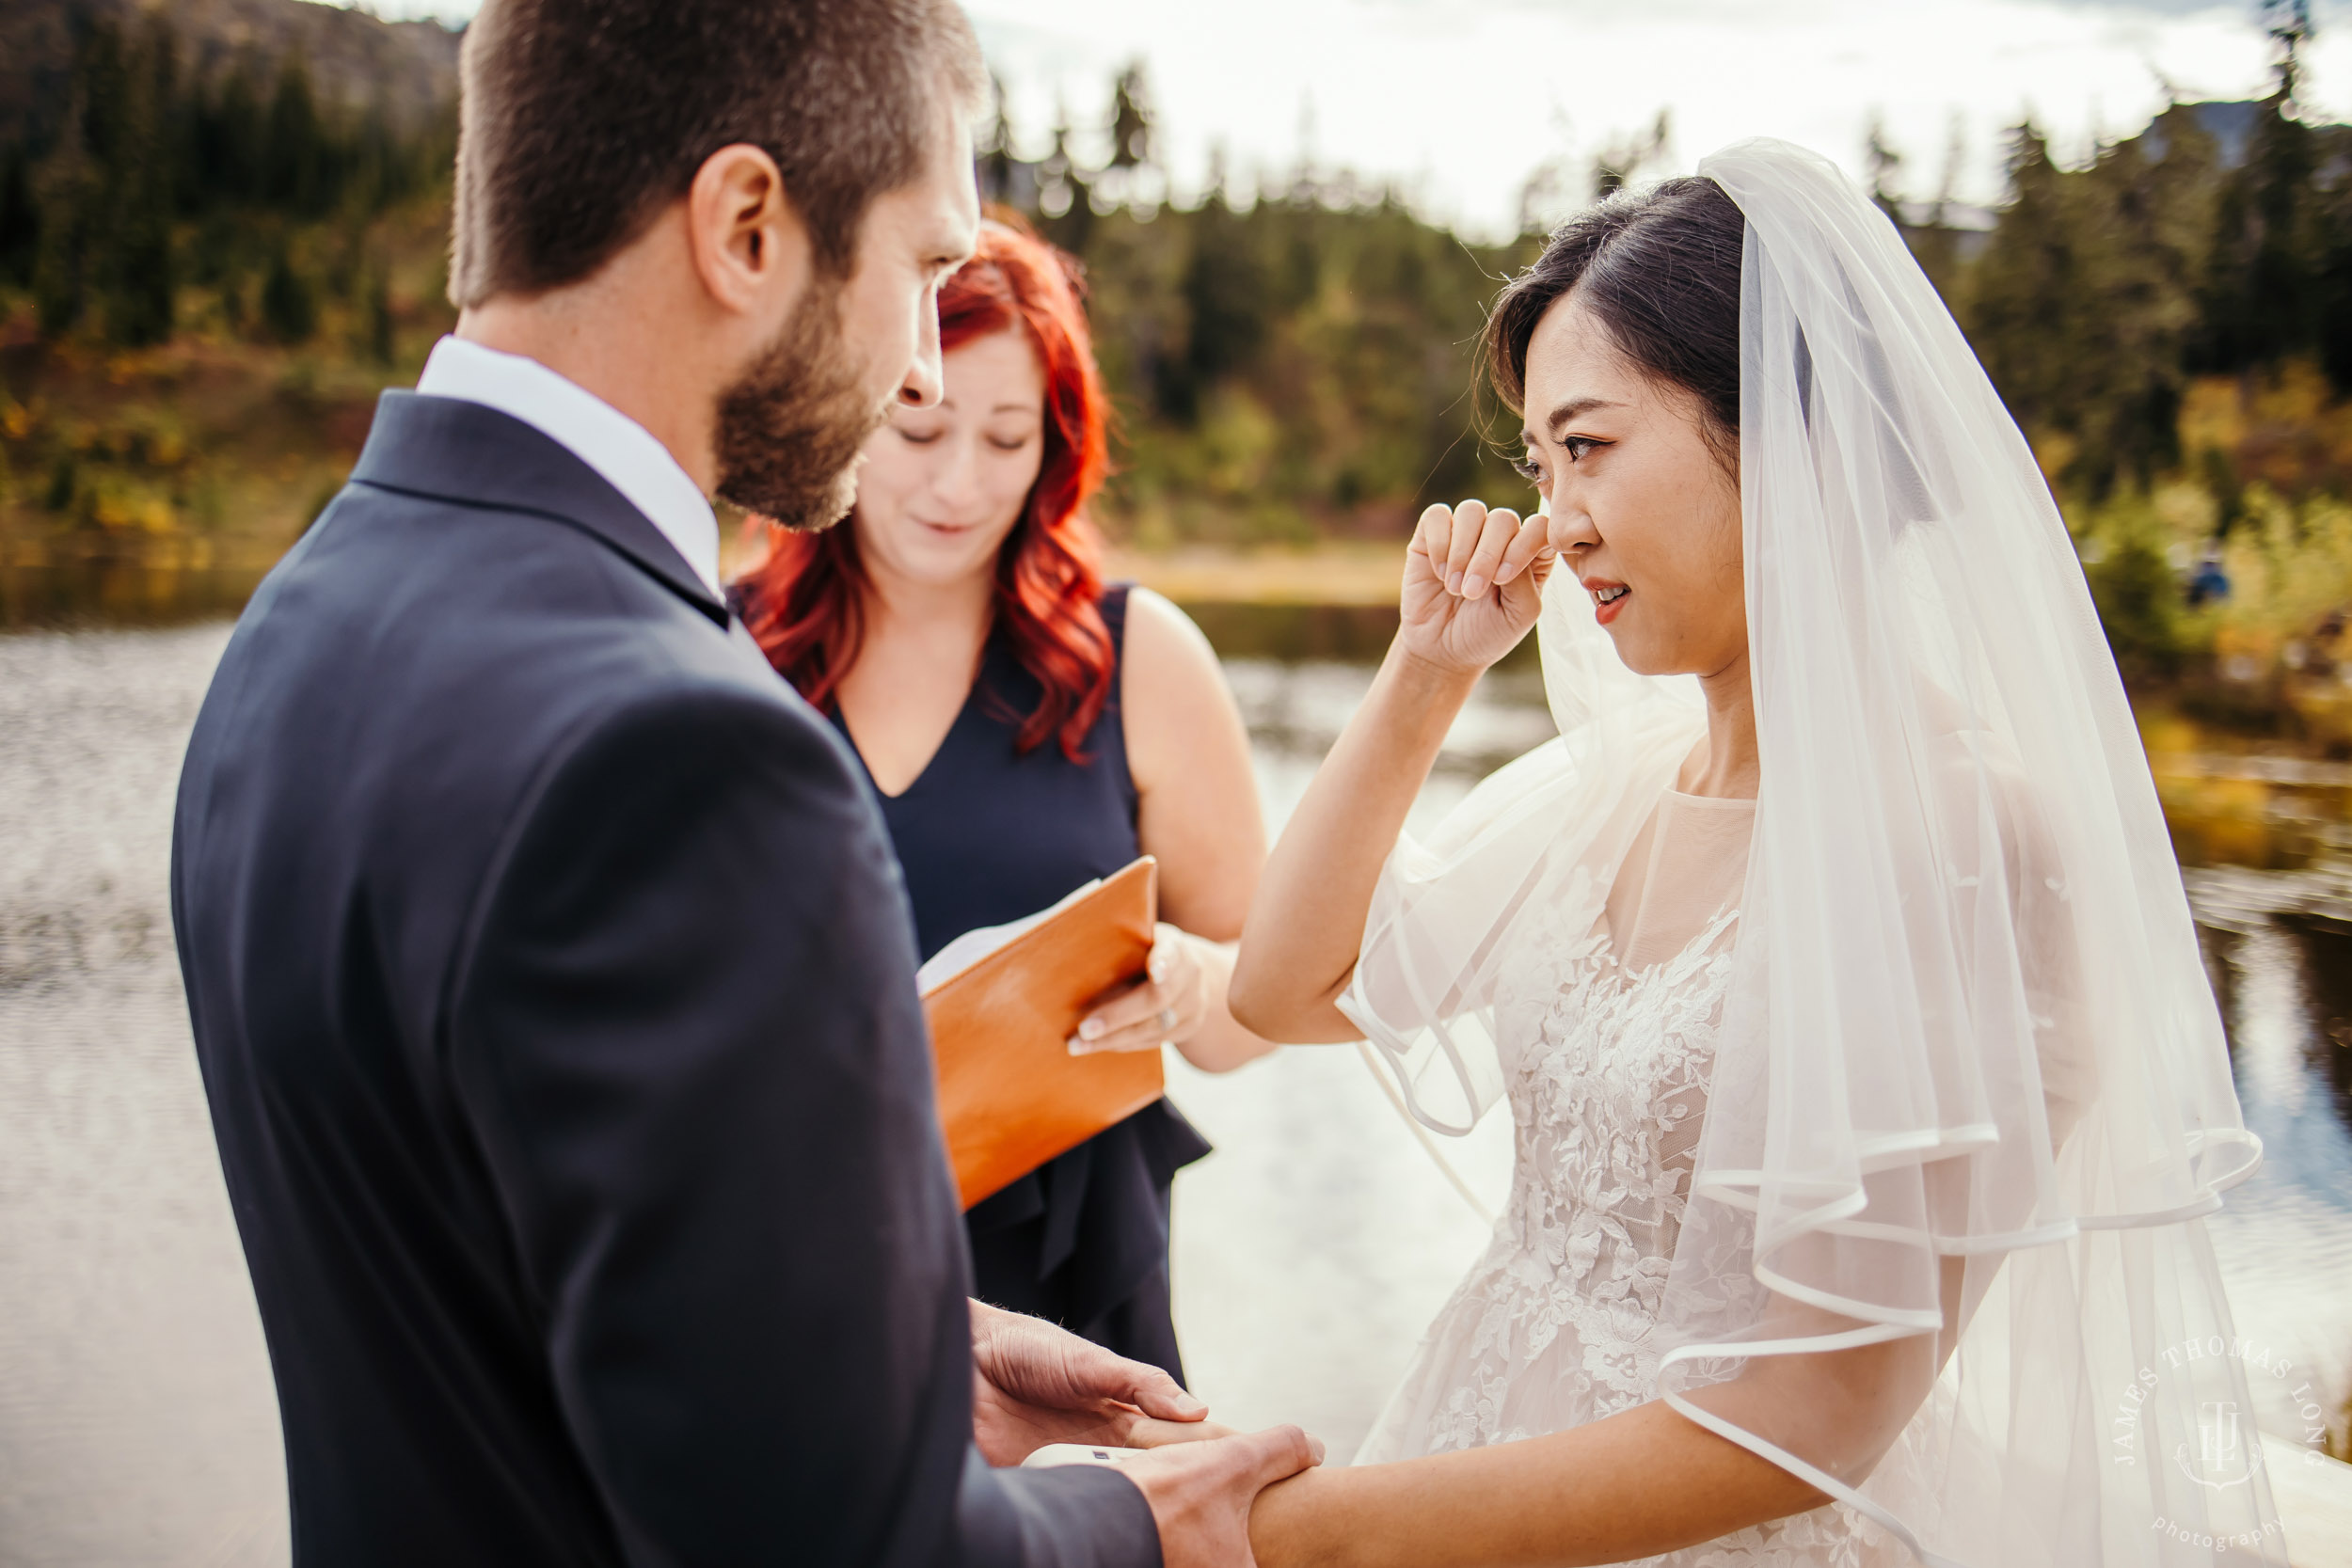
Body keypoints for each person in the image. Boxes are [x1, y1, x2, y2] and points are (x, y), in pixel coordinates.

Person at [168, 3, 1317, 1564]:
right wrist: (1130, 1519)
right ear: (749, 226)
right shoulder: (690, 753)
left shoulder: (303, 621)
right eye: (921, 268)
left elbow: (471, 1276)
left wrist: (894, 1348)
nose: (924, 352)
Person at [1231, 141, 2275, 1566]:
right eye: (1538, 463)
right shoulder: (1608, 788)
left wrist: (1302, 1531)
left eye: (1588, 445)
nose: (1558, 518)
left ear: (1784, 431)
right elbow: (1282, 988)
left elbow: (1817, 1410)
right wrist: (1425, 671)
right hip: (1460, 1459)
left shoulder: (1963, 836)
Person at [735, 219, 1276, 1384]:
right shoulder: (714, 651)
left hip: (1067, 1308)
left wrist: (1188, 976)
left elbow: (1252, 1014)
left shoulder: (1143, 659)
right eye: (917, 427)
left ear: (1056, 445)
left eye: (1006, 435)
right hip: (771, 1287)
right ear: (838, 410)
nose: (959, 482)